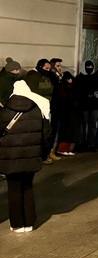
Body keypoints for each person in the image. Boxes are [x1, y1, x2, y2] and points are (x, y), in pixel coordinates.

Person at [0, 80, 51, 232]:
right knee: (28, 188)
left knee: (14, 189)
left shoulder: (4, 110)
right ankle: (29, 222)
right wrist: (42, 154)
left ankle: (17, 224)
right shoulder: (37, 109)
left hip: (10, 158)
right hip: (31, 157)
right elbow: (46, 134)